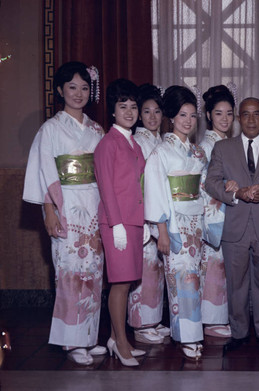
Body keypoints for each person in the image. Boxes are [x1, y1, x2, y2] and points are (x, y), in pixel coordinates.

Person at [23, 61, 106, 366]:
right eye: (72, 87)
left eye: (85, 87)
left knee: (94, 273)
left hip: (94, 205)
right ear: (60, 90)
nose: (79, 93)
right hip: (66, 205)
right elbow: (44, 173)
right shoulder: (51, 129)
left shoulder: (97, 130)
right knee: (70, 272)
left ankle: (89, 336)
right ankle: (72, 342)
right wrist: (49, 211)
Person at [205, 97, 259, 353]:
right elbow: (211, 182)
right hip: (235, 224)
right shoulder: (222, 147)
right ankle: (238, 333)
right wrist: (235, 194)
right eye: (245, 114)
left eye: (256, 114)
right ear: (239, 119)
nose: (251, 119)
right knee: (236, 282)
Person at [144, 85, 218, 360]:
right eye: (181, 115)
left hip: (196, 221)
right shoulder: (161, 152)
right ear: (171, 118)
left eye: (192, 115)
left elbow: (207, 189)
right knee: (180, 280)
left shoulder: (198, 152)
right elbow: (155, 192)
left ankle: (193, 333)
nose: (188, 121)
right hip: (174, 223)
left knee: (195, 279)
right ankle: (187, 337)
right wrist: (162, 231)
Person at [94, 78, 146, 367]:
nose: (129, 111)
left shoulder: (132, 141)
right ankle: (121, 344)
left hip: (134, 221)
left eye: (133, 106)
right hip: (118, 224)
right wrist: (116, 226)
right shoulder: (107, 144)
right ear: (112, 111)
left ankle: (116, 338)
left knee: (127, 281)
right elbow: (106, 188)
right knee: (120, 284)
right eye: (122, 106)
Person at [127, 84, 170, 344]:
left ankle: (154, 320)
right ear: (139, 114)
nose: (152, 117)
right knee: (143, 269)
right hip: (143, 213)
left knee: (157, 270)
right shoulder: (136, 141)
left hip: (161, 212)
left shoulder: (161, 140)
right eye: (146, 111)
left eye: (157, 111)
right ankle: (140, 325)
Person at [198, 85, 236, 338]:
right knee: (213, 265)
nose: (224, 118)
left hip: (229, 211)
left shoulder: (228, 143)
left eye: (229, 113)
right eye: (219, 113)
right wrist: (226, 185)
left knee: (225, 266)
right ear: (209, 115)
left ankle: (222, 316)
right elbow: (203, 182)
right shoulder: (206, 145)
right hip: (214, 212)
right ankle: (211, 320)